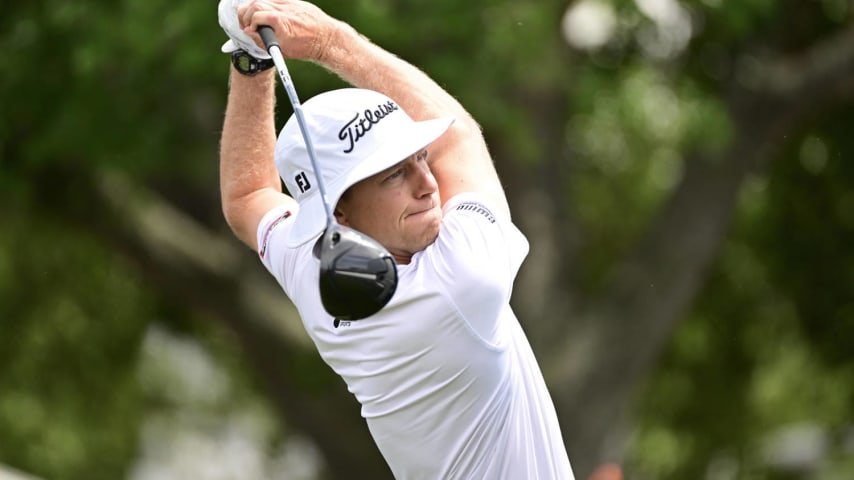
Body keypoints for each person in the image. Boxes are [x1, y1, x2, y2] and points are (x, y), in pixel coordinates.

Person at [218, 1, 611, 478]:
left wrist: (250, 61)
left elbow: (248, 195)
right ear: (339, 211)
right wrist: (329, 40)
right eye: (393, 175)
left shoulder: (314, 267)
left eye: (420, 157)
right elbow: (459, 138)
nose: (427, 184)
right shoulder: (460, 278)